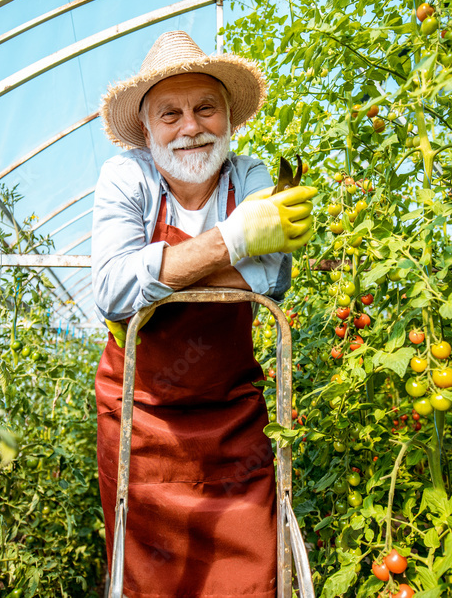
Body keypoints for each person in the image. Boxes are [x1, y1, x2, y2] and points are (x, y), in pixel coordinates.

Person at [91, 30, 316, 597]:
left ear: (230, 121)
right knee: (149, 576)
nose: (189, 126)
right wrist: (234, 242)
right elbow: (113, 292)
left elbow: (274, 279)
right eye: (170, 113)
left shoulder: (252, 177)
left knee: (248, 571)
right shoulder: (128, 178)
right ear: (146, 129)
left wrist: (162, 274)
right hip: (142, 416)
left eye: (205, 108)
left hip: (232, 415)